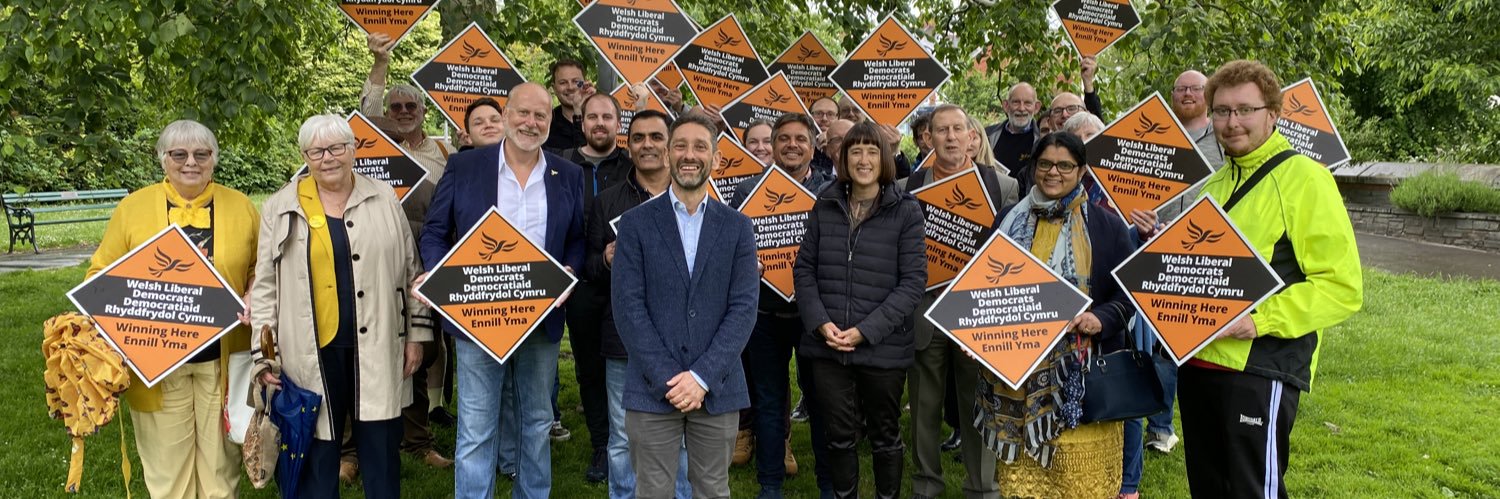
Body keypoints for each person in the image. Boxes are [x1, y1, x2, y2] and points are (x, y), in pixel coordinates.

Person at [1135, 59, 1363, 499]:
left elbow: (1341, 287)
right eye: (1222, 111)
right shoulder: (1214, 184)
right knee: (1209, 488)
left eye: (1245, 110)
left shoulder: (1305, 178)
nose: (1231, 122)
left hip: (1260, 366)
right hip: (1199, 363)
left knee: (1252, 490)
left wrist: (1258, 321)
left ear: (1273, 113)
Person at [418, 82, 587, 499]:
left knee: (537, 421)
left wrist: (569, 270)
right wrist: (439, 276)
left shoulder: (567, 174)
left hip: (542, 318)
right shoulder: (466, 166)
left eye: (541, 115)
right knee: (477, 425)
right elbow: (435, 231)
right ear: (507, 115)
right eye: (523, 113)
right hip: (477, 318)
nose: (531, 122)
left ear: (549, 122)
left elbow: (577, 239)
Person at [250, 114, 430, 499]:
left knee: (382, 449)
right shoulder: (281, 206)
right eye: (316, 151)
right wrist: (264, 355)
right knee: (317, 452)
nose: (328, 158)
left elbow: (411, 272)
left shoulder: (383, 197)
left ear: (353, 150)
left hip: (379, 344)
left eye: (336, 148)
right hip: (308, 352)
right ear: (304, 156)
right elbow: (265, 285)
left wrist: (416, 334)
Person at [87, 120, 256, 499]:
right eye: (179, 154)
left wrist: (252, 293)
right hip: (157, 365)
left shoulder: (241, 206)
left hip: (223, 359)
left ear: (214, 159)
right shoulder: (133, 208)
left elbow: (260, 267)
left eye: (201, 154)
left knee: (221, 469)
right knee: (168, 472)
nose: (190, 162)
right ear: (163, 159)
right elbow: (100, 275)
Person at [612, 111, 760, 499]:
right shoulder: (634, 224)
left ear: (716, 158)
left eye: (699, 147)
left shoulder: (738, 227)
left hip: (717, 388)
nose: (689, 155)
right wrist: (669, 379)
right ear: (667, 154)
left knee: (712, 490)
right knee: (652, 492)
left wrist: (702, 377)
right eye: (680, 145)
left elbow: (744, 309)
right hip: (651, 388)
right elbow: (628, 308)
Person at [979, 131, 1136, 498]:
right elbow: (981, 287)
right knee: (1023, 483)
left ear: (1081, 171)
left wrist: (1101, 319)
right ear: (1034, 167)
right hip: (1017, 370)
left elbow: (1128, 295)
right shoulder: (1008, 220)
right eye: (1046, 164)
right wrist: (977, 336)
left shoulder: (1107, 226)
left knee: (1080, 480)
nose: (1053, 172)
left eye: (1065, 165)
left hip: (1080, 371)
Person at [793, 121, 927, 499]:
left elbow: (912, 282)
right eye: (855, 151)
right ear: (844, 158)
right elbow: (804, 270)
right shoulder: (825, 204)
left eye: (871, 151)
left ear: (884, 158)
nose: (863, 160)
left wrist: (866, 331)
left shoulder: (906, 211)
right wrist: (821, 323)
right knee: (838, 437)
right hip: (828, 345)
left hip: (883, 346)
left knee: (885, 436)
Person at [902, 104, 1018, 499]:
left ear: (972, 137)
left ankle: (982, 487)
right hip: (925, 309)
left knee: (978, 402)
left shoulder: (1002, 187)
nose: (951, 137)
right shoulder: (907, 187)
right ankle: (926, 484)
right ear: (928, 138)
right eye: (941, 130)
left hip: (976, 311)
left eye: (958, 129)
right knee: (924, 404)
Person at [588, 110, 695, 499]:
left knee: (681, 434)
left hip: (683, 340)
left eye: (656, 137)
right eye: (638, 138)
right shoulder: (607, 202)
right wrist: (605, 259)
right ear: (627, 145)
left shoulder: (695, 196)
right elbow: (588, 269)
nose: (647, 145)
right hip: (623, 339)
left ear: (669, 145)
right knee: (622, 435)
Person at [732, 112, 837, 498]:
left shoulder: (830, 190)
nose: (792, 145)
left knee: (822, 401)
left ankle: (829, 484)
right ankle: (770, 483)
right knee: (768, 400)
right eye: (784, 138)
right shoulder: (746, 191)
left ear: (813, 146)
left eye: (800, 139)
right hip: (764, 314)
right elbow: (732, 246)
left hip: (816, 316)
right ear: (773, 145)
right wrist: (745, 262)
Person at [560, 91, 635, 482]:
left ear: (618, 124)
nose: (600, 123)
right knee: (590, 369)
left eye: (608, 117)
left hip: (629, 284)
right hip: (583, 282)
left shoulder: (632, 165)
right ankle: (602, 446)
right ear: (582, 122)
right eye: (593, 117)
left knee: (628, 366)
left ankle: (634, 441)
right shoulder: (562, 165)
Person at [359, 32, 453, 179]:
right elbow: (370, 107)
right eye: (396, 107)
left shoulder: (447, 152)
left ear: (424, 111)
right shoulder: (379, 146)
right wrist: (380, 62)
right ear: (386, 114)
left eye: (411, 106)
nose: (403, 111)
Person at [543, 59, 598, 153]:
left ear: (585, 83)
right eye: (563, 83)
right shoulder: (546, 124)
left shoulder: (601, 120)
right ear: (554, 88)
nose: (570, 87)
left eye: (576, 81)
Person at [985, 82, 1041, 175]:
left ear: (1036, 107)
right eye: (1016, 102)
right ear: (1006, 106)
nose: (1021, 108)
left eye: (1027, 103)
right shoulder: (987, 135)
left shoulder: (1042, 140)